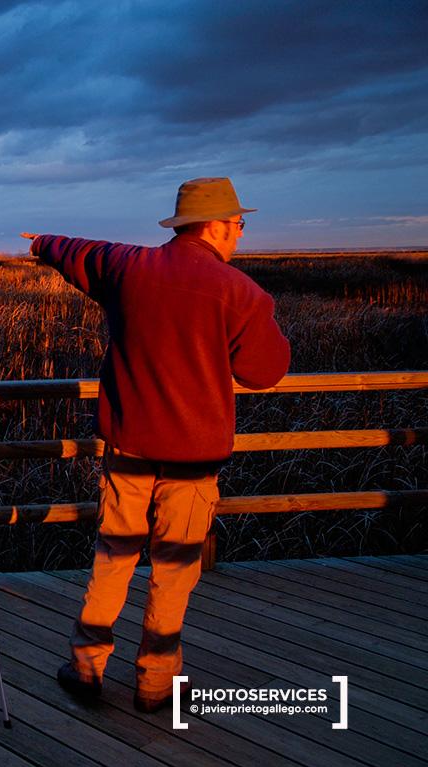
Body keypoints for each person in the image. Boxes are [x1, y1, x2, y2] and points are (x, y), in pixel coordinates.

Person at [20, 176, 290, 712]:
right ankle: (155, 683)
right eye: (238, 224)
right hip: (194, 460)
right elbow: (265, 372)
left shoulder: (127, 267)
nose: (241, 233)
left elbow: (80, 251)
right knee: (173, 569)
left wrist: (40, 242)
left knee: (113, 557)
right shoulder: (241, 294)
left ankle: (86, 668)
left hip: (129, 448)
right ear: (214, 225)